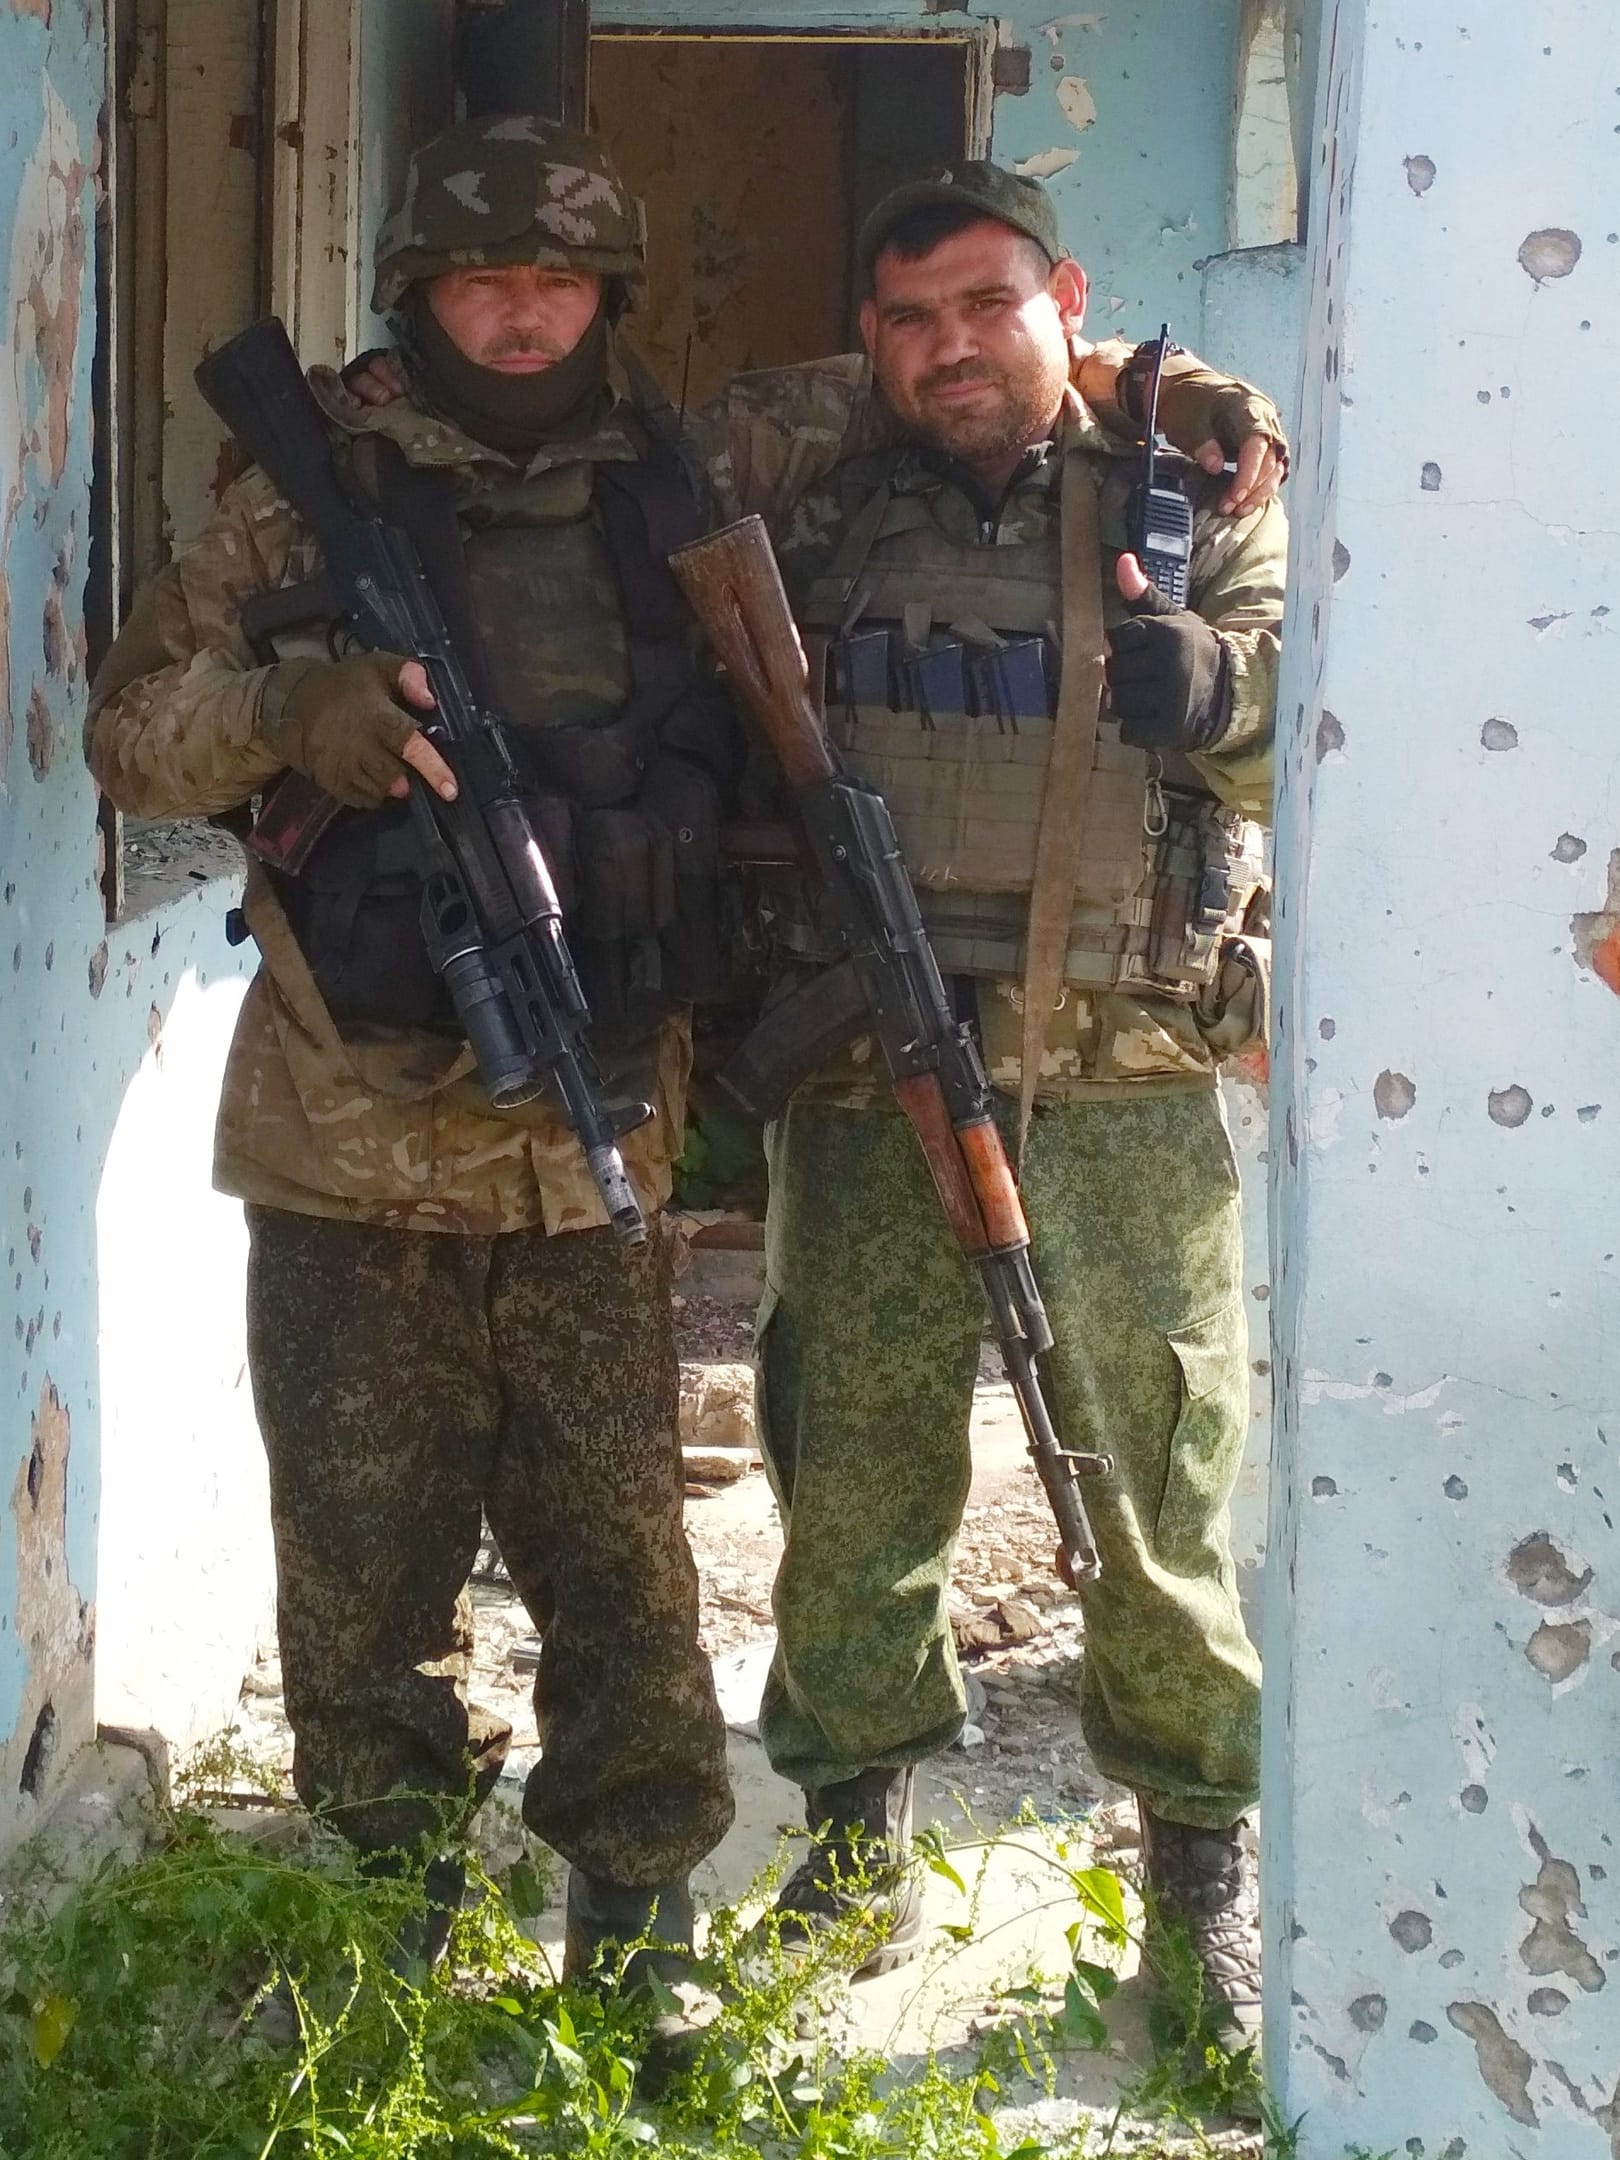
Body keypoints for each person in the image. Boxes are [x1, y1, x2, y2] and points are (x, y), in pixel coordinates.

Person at [85, 117, 744, 2020]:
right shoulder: (302, 498)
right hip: (348, 1134)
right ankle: (385, 1915)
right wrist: (294, 706)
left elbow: (954, 391)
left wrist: (1180, 401)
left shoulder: (681, 477)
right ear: (416, 295)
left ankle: (638, 1915)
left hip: (591, 1128)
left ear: (608, 298)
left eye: (558, 284)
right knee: (363, 1560)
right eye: (481, 283)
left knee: (619, 1552)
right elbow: (129, 735)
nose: (521, 319)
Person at [718, 164, 1285, 2050]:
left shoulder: (1198, 499)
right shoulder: (822, 493)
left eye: (990, 306)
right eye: (908, 320)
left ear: (1071, 299)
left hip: (1120, 1075)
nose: (948, 348)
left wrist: (1222, 692)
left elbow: (1335, 721)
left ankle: (1198, 1867)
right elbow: (671, 456)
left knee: (1149, 1484)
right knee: (849, 1463)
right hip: (871, 1064)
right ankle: (853, 1840)